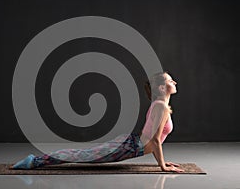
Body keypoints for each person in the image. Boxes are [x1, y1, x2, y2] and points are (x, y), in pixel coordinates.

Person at [11, 72, 184, 173]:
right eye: (170, 80)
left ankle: (35, 160)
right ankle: (34, 161)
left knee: (83, 154)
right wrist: (162, 166)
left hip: (130, 144)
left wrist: (162, 162)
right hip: (129, 146)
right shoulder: (161, 107)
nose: (174, 82)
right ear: (162, 88)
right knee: (82, 156)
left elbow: (154, 140)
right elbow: (154, 140)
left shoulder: (161, 105)